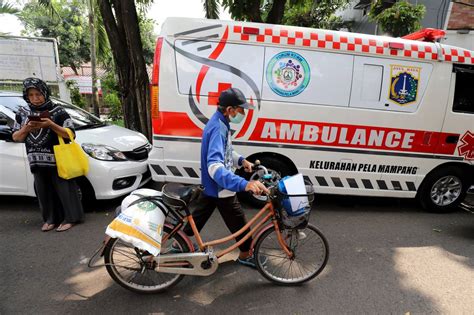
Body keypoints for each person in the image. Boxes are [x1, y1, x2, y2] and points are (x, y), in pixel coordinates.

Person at [183, 87, 269, 268]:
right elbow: (214, 166)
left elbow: (226, 151)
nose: (243, 113)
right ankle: (246, 254)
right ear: (230, 110)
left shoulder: (220, 122)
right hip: (222, 188)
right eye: (241, 109)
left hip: (211, 186)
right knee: (241, 226)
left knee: (198, 217)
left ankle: (178, 243)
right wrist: (244, 184)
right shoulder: (218, 128)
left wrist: (242, 161)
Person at [12, 78, 84, 232]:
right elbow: (16, 137)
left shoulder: (58, 111)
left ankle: (70, 218)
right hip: (36, 160)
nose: (35, 98)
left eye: (38, 94)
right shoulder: (22, 113)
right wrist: (26, 129)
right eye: (30, 95)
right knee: (43, 192)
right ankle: (51, 219)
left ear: (45, 93)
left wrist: (50, 124)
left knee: (65, 190)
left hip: (59, 159)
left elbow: (70, 133)